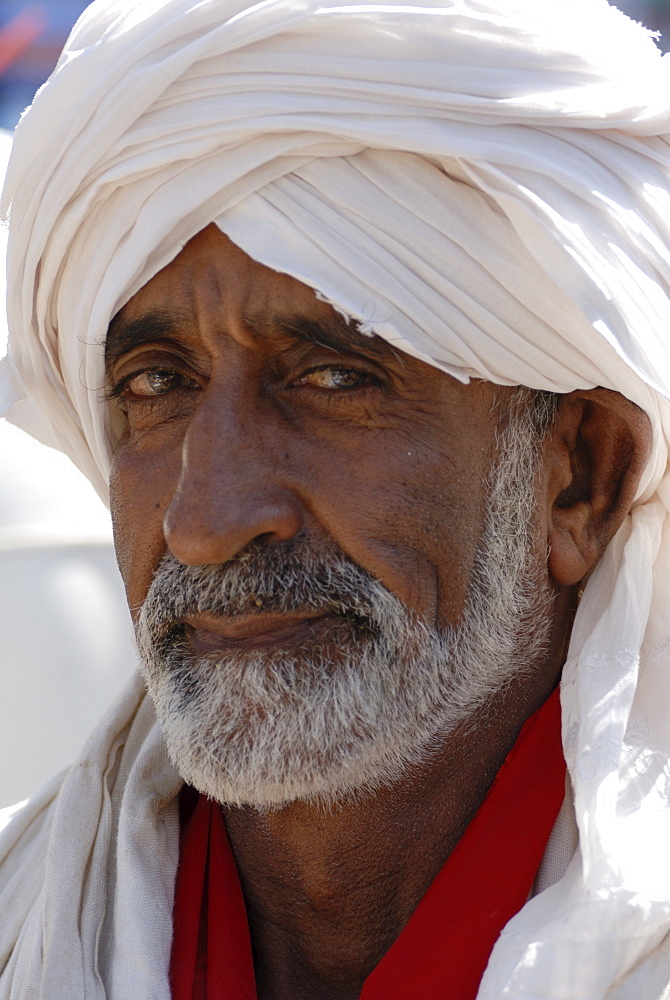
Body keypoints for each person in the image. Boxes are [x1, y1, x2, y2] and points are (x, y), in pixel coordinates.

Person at [1, 0, 670, 996]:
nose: (207, 519)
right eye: (155, 384)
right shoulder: (29, 922)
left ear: (579, 475)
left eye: (331, 380)